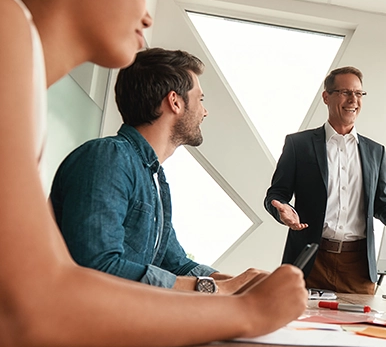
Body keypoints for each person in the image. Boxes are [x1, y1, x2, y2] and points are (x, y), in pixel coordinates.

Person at [0, 0, 306, 347]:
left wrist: (230, 288)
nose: (147, 15)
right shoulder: (6, 21)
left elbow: (57, 281)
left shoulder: (26, 79)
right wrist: (247, 311)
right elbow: (32, 306)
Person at [50, 48, 263, 294]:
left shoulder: (153, 177)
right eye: (200, 99)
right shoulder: (108, 157)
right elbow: (98, 268)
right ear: (175, 101)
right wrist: (214, 289)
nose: (205, 111)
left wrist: (243, 284)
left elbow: (176, 264)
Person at [264, 66, 386, 294]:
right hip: (311, 261)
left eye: (359, 93)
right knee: (300, 328)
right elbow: (276, 194)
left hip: (358, 267)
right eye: (345, 92)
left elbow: (381, 204)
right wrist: (282, 210)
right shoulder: (299, 145)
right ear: (326, 96)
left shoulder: (375, 151)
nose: (353, 99)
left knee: (360, 329)